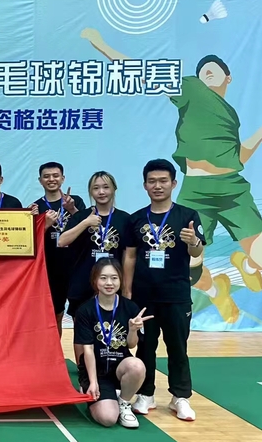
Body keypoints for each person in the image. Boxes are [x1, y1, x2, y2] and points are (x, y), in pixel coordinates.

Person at [83, 29, 262, 324]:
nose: (206, 73)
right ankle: (217, 290)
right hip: (197, 189)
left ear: (228, 78)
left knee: (259, 256)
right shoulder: (191, 89)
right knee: (188, 265)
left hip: (232, 187)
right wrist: (102, 45)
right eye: (202, 71)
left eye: (213, 69)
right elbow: (143, 72)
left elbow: (238, 156)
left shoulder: (230, 115)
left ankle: (249, 267)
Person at [123, 159, 204, 421]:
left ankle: (180, 397)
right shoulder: (136, 218)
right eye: (152, 181)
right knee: (145, 346)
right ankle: (145, 393)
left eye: (163, 181)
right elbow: (130, 256)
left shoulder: (188, 216)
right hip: (143, 296)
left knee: (177, 347)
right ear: (145, 185)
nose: (157, 186)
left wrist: (194, 242)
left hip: (176, 295)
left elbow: (196, 251)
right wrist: (127, 292)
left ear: (173, 183)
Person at [58, 171, 131, 362]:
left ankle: (108, 368)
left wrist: (126, 287)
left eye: (106, 187)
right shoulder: (82, 216)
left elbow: (128, 256)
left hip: (112, 284)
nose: (101, 192)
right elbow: (62, 241)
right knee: (82, 329)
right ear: (90, 191)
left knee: (112, 327)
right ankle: (83, 371)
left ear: (114, 189)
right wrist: (85, 223)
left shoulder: (125, 219)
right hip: (82, 282)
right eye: (96, 188)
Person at [74, 258, 151, 428]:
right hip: (96, 371)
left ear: (120, 280)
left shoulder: (130, 307)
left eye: (114, 278)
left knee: (137, 366)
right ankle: (100, 397)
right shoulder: (85, 310)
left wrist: (133, 330)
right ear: (95, 280)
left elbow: (131, 345)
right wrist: (92, 382)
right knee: (108, 419)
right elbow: (88, 350)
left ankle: (123, 403)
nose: (109, 283)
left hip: (119, 367)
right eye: (103, 278)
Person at [32, 162, 86, 335]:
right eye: (46, 176)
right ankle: (57, 351)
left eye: (55, 176)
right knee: (56, 315)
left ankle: (83, 353)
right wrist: (44, 224)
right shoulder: (35, 207)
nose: (51, 179)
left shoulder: (75, 201)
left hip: (76, 266)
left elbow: (86, 228)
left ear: (63, 178)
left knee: (80, 315)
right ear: (40, 180)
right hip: (51, 268)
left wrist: (72, 209)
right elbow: (31, 242)